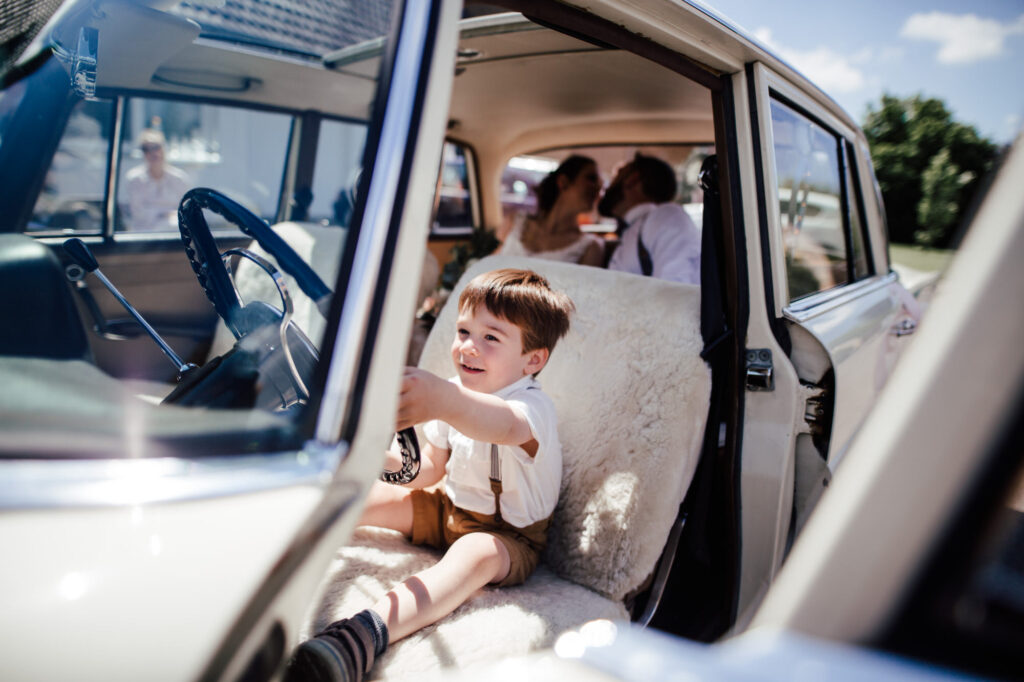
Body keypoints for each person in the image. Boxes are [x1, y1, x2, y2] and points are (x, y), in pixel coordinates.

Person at [285, 268, 574, 682]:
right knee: (357, 497)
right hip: (447, 508)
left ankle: (360, 635)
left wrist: (442, 398)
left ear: (533, 360)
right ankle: (276, 535)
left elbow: (502, 426)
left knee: (476, 554)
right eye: (463, 331)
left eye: (490, 338)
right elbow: (427, 471)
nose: (467, 348)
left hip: (509, 537)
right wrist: (368, 453)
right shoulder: (456, 393)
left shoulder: (532, 410)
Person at [599, 152, 700, 283]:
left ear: (632, 179)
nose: (607, 186)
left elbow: (675, 290)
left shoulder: (667, 218)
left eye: (618, 174)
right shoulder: (637, 228)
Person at [500, 155, 605, 266]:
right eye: (591, 178)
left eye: (600, 183)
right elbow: (490, 262)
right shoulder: (514, 222)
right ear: (563, 182)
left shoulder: (591, 247)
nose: (598, 187)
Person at [122, 128, 190, 231]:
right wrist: (165, 214)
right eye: (146, 149)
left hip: (176, 237)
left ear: (164, 149)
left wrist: (158, 213)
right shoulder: (135, 179)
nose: (152, 153)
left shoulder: (179, 179)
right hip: (144, 239)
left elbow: (186, 211)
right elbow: (138, 214)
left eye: (156, 147)